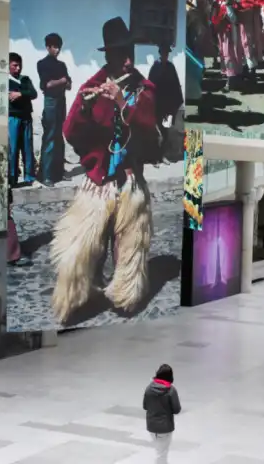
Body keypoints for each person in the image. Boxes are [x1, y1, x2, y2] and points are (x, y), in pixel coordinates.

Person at [52, 17, 158, 324]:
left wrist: (123, 102)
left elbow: (149, 128)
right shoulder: (90, 86)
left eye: (130, 53)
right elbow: (70, 132)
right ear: (108, 55)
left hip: (129, 179)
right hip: (98, 179)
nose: (127, 60)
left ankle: (126, 295)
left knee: (131, 243)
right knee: (81, 245)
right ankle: (78, 295)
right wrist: (86, 108)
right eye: (120, 54)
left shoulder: (143, 88)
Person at [37, 34, 71, 186]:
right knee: (50, 136)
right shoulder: (42, 63)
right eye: (55, 46)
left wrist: (63, 82)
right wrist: (62, 81)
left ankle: (58, 172)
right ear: (48, 47)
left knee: (59, 136)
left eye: (59, 47)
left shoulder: (62, 65)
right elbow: (47, 85)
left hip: (61, 101)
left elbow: (69, 85)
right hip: (50, 101)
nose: (57, 50)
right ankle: (46, 175)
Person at [149, 44, 184, 163]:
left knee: (166, 132)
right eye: (163, 53)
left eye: (167, 53)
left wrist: (176, 103)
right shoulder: (155, 67)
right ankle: (155, 157)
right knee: (157, 132)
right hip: (156, 104)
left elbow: (175, 85)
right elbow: (150, 85)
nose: (165, 55)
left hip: (168, 106)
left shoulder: (170, 67)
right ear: (160, 53)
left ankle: (162, 155)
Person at [8, 52, 38, 187]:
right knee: (13, 149)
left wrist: (20, 94)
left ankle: (29, 177)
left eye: (20, 65)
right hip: (12, 117)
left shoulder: (25, 79)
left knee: (27, 148)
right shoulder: (4, 80)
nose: (18, 68)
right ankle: (12, 179)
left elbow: (33, 93)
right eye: (15, 65)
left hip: (26, 117)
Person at [143, 364, 181, 463]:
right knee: (162, 454)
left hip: (151, 426)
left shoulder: (149, 388)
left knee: (159, 451)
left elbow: (145, 406)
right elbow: (177, 409)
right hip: (165, 427)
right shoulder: (171, 391)